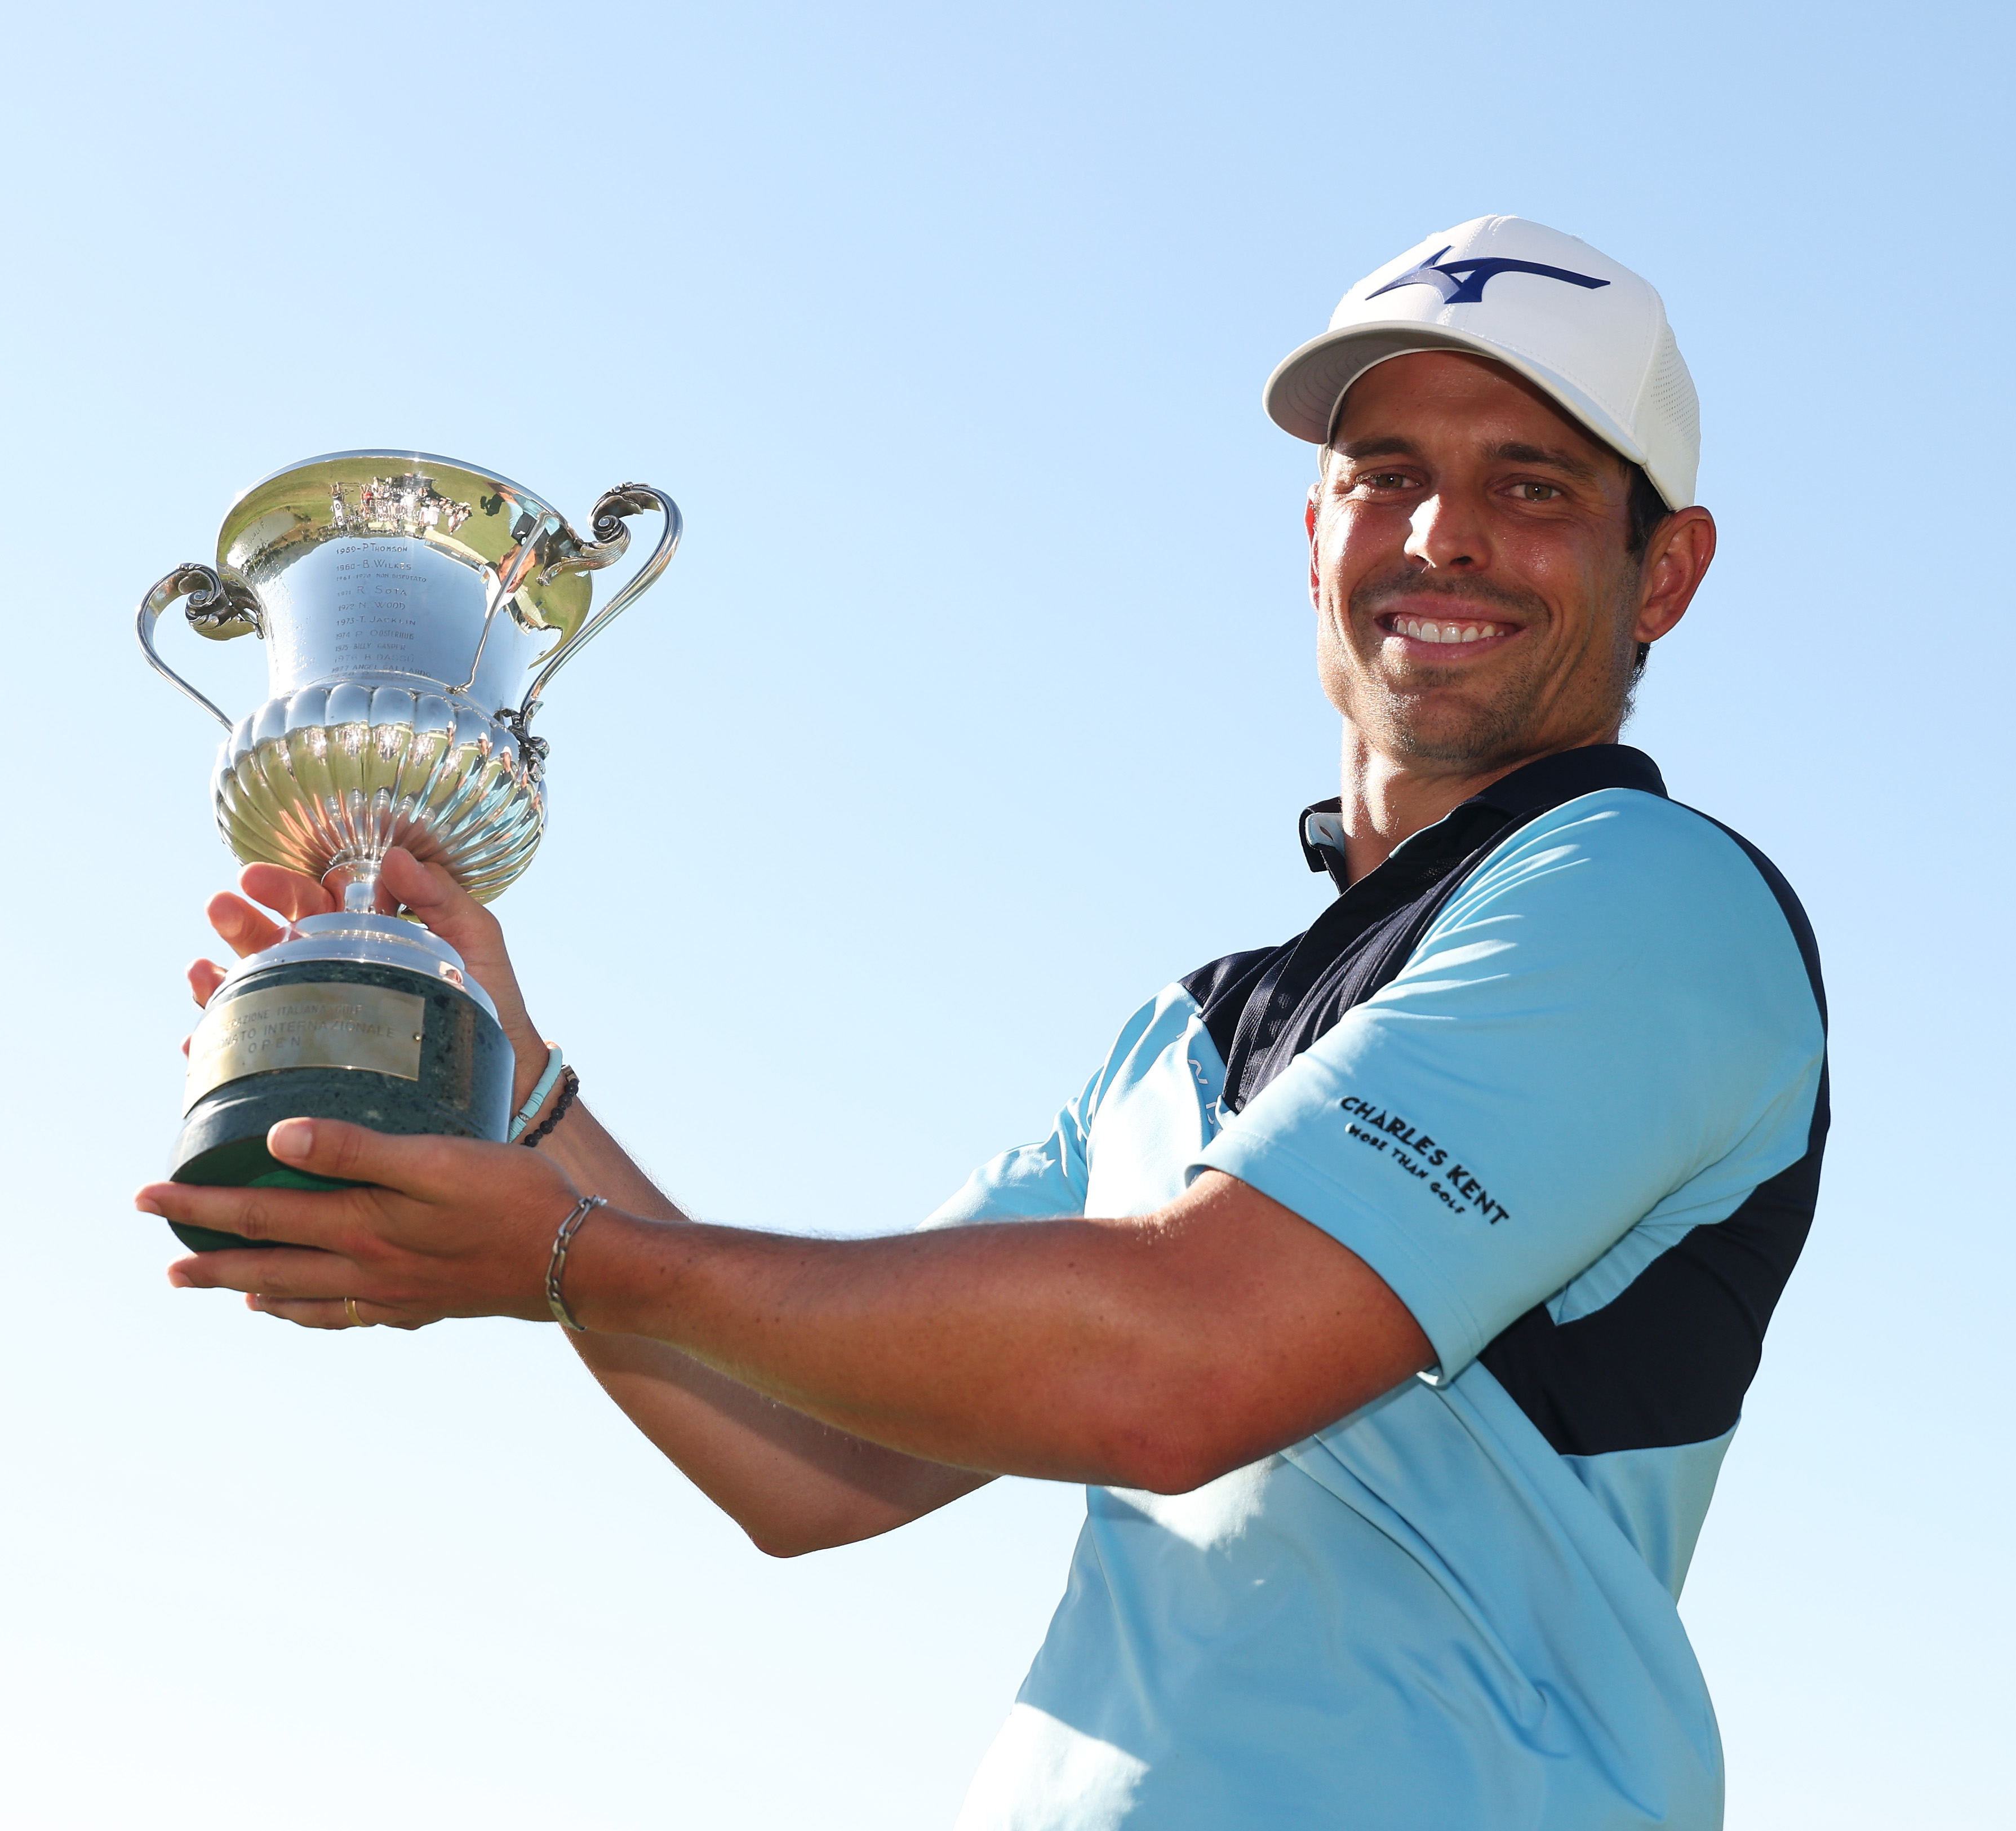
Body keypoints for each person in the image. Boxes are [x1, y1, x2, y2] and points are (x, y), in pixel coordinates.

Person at [141, 215, 1830, 1829]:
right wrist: (505, 1074)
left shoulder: (1643, 899)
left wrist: (565, 1255)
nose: (1439, 533)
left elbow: (1174, 1363)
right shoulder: (1175, 1041)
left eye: (1528, 485)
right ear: (1310, 535)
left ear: (1661, 570)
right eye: (1383, 475)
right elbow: (808, 1458)